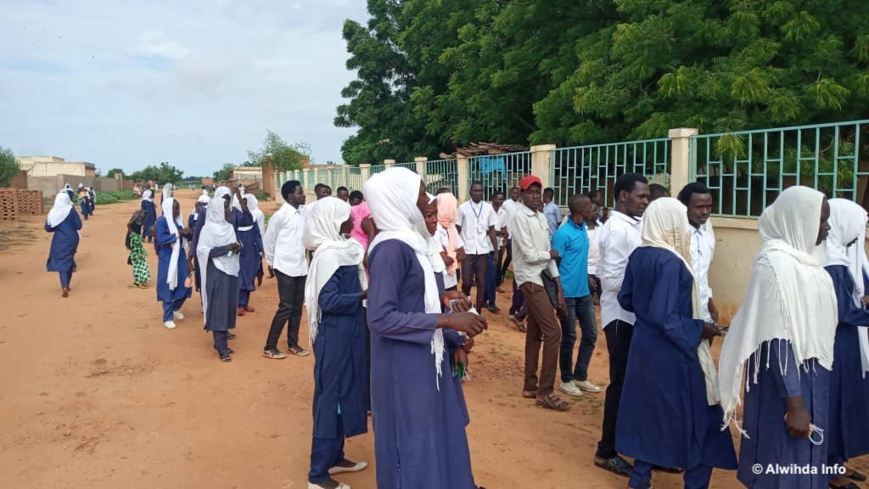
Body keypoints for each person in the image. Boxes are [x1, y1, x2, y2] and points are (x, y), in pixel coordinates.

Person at [365, 167, 487, 489]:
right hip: (402, 366)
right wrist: (447, 320)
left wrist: (451, 335)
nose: (426, 200)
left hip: (426, 356)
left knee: (438, 433)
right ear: (400, 200)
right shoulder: (390, 248)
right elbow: (379, 318)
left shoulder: (413, 243)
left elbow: (418, 302)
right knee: (413, 442)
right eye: (420, 194)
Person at [718, 186, 836, 489]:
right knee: (780, 462)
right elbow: (777, 338)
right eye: (821, 221)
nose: (827, 228)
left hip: (815, 376)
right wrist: (794, 402)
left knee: (808, 463)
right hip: (783, 383)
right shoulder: (774, 265)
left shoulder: (810, 261)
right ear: (798, 220)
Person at [616, 198, 736, 489]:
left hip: (644, 346)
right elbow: (665, 316)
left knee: (651, 414)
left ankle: (640, 479)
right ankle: (695, 482)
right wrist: (700, 328)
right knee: (701, 419)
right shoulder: (671, 261)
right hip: (673, 350)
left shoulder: (640, 254)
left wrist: (650, 316)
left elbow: (626, 299)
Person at [303, 197, 370, 489]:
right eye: (346, 216)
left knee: (346, 394)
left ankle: (336, 456)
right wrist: (361, 298)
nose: (352, 220)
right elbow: (327, 301)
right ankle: (317, 475)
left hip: (350, 332)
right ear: (332, 220)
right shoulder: (329, 255)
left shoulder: (345, 248)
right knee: (331, 399)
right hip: (334, 336)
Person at [594, 173, 649, 476]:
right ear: (624, 195)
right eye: (641, 196)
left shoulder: (634, 226)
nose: (645, 202)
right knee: (619, 384)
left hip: (635, 314)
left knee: (633, 385)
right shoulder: (617, 229)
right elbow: (612, 280)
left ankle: (637, 445)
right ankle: (606, 451)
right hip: (620, 316)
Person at [511, 175, 569, 412]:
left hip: (542, 279)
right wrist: (551, 255)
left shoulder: (541, 217)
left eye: (538, 192)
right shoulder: (519, 217)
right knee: (554, 332)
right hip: (529, 279)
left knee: (535, 332)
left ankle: (530, 386)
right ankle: (545, 391)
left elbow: (546, 252)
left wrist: (558, 283)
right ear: (522, 194)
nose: (535, 196)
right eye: (530, 192)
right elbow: (530, 255)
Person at [823, 199, 869, 489]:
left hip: (849, 342)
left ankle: (837, 463)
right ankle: (830, 470)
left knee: (847, 403)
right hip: (836, 344)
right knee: (835, 405)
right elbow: (843, 310)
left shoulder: (845, 252)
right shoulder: (831, 259)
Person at [552, 194, 600, 398]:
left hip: (583, 293)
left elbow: (579, 259)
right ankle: (566, 379)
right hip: (568, 294)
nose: (594, 209)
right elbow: (554, 263)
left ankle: (580, 376)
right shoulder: (563, 233)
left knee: (590, 334)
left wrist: (587, 277)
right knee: (569, 336)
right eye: (590, 206)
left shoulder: (583, 230)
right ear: (580, 211)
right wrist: (559, 294)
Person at [263, 180, 309, 359]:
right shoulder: (280, 216)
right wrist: (272, 264)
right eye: (300, 193)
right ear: (290, 196)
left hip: (300, 266)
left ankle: (293, 343)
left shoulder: (302, 212)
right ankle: (270, 346)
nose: (304, 195)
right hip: (284, 267)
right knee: (286, 307)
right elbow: (269, 240)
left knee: (297, 308)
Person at [196, 187, 241, 362]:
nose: (229, 211)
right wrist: (225, 249)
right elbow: (203, 251)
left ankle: (220, 342)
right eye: (226, 208)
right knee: (219, 307)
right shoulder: (208, 230)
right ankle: (222, 348)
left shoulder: (229, 227)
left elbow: (231, 249)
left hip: (230, 270)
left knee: (228, 305)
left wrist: (236, 248)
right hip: (216, 272)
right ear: (217, 211)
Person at [678, 183, 718, 323]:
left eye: (709, 206)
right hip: (681, 315)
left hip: (704, 315)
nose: (705, 211)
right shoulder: (677, 238)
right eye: (699, 207)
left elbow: (703, 276)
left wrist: (711, 304)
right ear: (684, 206)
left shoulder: (707, 239)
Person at [457, 181, 498, 311]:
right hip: (468, 250)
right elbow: (457, 229)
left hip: (483, 251)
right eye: (475, 191)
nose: (478, 193)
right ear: (470, 192)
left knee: (482, 281)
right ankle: (465, 303)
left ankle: (478, 311)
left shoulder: (488, 208)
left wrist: (496, 251)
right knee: (467, 281)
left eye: (480, 191)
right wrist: (458, 248)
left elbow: (491, 230)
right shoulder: (463, 208)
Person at [155, 195, 193, 330]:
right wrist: (178, 233)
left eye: (178, 209)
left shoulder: (178, 221)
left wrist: (188, 233)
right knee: (168, 284)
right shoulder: (162, 221)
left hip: (180, 256)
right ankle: (168, 317)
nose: (177, 212)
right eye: (175, 209)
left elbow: (183, 237)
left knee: (186, 283)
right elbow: (161, 239)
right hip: (167, 257)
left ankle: (175, 307)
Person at [229, 189, 262, 315]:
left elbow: (257, 233)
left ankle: (244, 303)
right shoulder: (233, 218)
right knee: (240, 278)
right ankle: (238, 304)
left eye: (245, 203)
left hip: (251, 252)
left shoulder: (251, 218)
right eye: (241, 202)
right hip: (239, 252)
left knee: (249, 276)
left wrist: (259, 249)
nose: (244, 205)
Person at [45, 192, 82, 298]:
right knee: (69, 259)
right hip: (73, 239)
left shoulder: (53, 212)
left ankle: (65, 286)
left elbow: (48, 228)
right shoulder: (71, 210)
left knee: (61, 261)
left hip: (59, 240)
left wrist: (57, 226)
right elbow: (78, 225)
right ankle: (67, 284)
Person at [435, 192, 464, 292]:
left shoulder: (451, 227)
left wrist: (450, 254)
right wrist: (456, 253)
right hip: (440, 280)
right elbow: (445, 261)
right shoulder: (435, 228)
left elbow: (463, 253)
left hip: (452, 279)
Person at [483, 191, 506, 312]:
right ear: (493, 199)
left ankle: (485, 300)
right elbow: (484, 230)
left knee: (492, 275)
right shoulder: (486, 211)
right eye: (498, 199)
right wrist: (496, 232)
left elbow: (504, 228)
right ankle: (490, 302)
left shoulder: (504, 213)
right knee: (489, 276)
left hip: (497, 248)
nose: (500, 202)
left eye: (502, 199)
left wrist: (504, 240)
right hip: (486, 247)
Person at [126, 210, 151, 289]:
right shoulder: (138, 235)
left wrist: (135, 217)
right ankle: (141, 281)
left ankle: (138, 282)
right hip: (139, 254)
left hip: (136, 255)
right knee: (142, 267)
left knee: (137, 268)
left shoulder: (133, 235)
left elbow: (129, 224)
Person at [245, 194, 267, 286]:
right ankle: (259, 272)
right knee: (258, 257)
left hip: (252, 238)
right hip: (260, 237)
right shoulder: (259, 212)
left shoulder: (250, 213)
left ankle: (253, 276)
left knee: (251, 259)